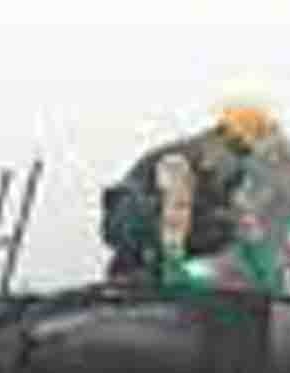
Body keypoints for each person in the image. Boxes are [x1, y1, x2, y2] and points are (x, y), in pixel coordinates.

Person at [100, 102, 280, 283]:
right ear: (223, 138)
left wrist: (263, 271)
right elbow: (176, 206)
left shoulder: (224, 180)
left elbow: (242, 222)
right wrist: (173, 264)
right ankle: (140, 269)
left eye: (245, 155)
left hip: (165, 228)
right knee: (165, 209)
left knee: (224, 225)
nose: (239, 161)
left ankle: (158, 268)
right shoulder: (182, 159)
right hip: (129, 216)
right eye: (239, 151)